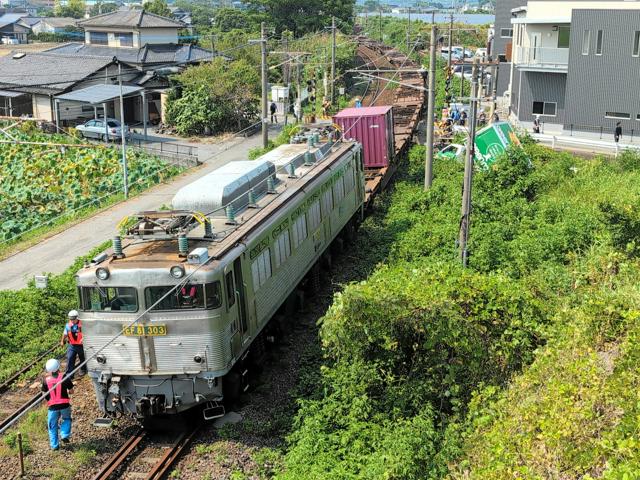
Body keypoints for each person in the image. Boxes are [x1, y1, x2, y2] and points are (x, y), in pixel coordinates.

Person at [42, 358, 73, 450]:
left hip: (52, 407)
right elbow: (71, 391)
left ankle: (54, 446)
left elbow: (44, 396)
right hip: (64, 405)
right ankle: (64, 435)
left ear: (48, 369)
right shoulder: (64, 377)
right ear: (58, 367)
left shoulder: (45, 380)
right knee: (67, 419)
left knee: (52, 425)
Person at [61, 310, 86, 378]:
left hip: (81, 345)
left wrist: (84, 338)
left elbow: (87, 333)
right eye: (71, 319)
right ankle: (69, 375)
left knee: (83, 358)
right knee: (70, 358)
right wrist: (62, 341)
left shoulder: (83, 324)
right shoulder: (68, 325)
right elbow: (65, 334)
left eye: (73, 319)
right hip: (72, 345)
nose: (72, 320)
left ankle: (83, 369)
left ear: (77, 317)